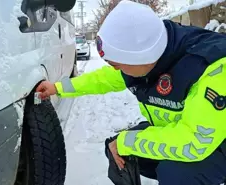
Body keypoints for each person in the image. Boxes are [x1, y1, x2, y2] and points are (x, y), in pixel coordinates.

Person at [35, 0, 226, 185]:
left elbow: (195, 141)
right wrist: (57, 88)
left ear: (140, 57)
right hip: (184, 131)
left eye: (117, 65)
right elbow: (102, 79)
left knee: (176, 172)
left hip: (214, 143)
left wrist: (125, 142)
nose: (117, 71)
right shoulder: (145, 61)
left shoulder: (212, 69)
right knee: (122, 149)